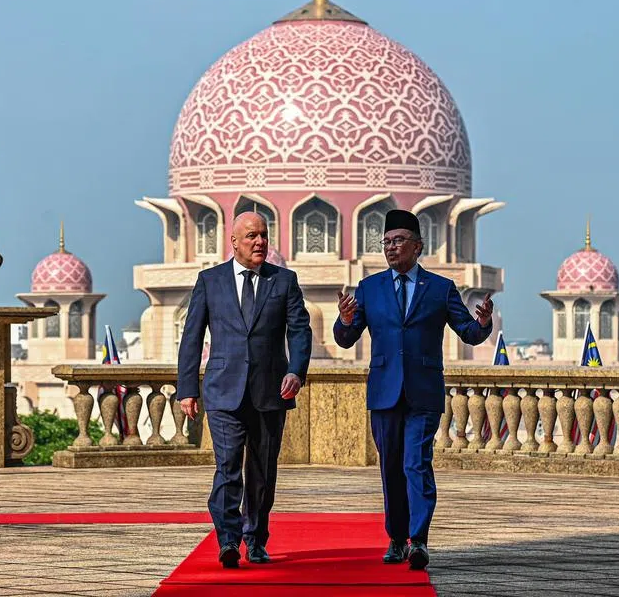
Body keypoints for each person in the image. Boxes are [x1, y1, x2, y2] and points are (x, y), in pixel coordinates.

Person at [333, 209, 493, 571]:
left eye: (399, 241)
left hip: (423, 392)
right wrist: (343, 321)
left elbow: (468, 331)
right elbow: (346, 339)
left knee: (416, 463)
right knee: (391, 467)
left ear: (418, 246)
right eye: (386, 242)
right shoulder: (369, 289)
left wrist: (483, 322)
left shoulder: (440, 288)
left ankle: (419, 540)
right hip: (385, 392)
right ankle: (396, 538)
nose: (391, 248)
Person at [176, 212, 312, 569]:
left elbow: (299, 331)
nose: (260, 242)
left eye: (264, 235)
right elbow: (192, 337)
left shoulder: (283, 281)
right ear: (233, 241)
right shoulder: (211, 281)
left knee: (262, 472)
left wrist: (296, 371)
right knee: (227, 468)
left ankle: (255, 539)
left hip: (271, 392)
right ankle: (228, 539)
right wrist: (187, 388)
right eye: (251, 235)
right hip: (223, 391)